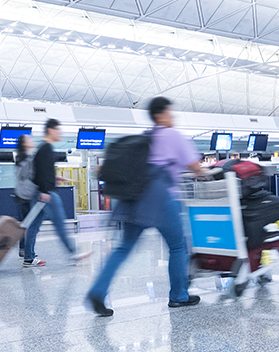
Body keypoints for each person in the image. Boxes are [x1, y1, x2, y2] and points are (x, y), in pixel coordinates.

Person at [86, 97, 207, 316]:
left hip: (134, 197)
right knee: (178, 246)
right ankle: (179, 295)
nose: (173, 117)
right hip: (160, 196)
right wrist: (203, 174)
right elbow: (196, 167)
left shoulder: (145, 138)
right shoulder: (172, 135)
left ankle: (97, 290)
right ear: (160, 115)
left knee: (123, 248)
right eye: (170, 113)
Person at [22, 119, 91, 267]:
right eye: (58, 130)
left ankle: (28, 257)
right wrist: (46, 190)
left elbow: (41, 172)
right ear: (50, 130)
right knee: (60, 224)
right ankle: (74, 252)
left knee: (33, 226)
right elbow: (41, 173)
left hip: (39, 192)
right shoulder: (46, 148)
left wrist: (54, 179)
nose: (60, 133)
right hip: (47, 194)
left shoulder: (42, 148)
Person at [13, 134, 38, 260]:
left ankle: (25, 250)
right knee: (29, 225)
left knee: (26, 224)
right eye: (29, 139)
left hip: (24, 195)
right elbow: (29, 174)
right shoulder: (24, 158)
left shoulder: (24, 157)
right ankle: (27, 251)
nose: (32, 140)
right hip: (26, 196)